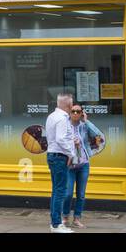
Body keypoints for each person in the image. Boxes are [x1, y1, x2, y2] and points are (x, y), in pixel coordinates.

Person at [66, 104, 104, 229]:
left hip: (83, 164)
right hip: (69, 165)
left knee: (81, 194)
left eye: (78, 111)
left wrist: (86, 121)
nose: (76, 113)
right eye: (73, 111)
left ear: (82, 113)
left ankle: (77, 218)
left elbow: (99, 137)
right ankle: (65, 217)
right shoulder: (65, 125)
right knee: (68, 193)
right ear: (69, 113)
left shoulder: (84, 126)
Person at [45, 91, 75, 233]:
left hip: (53, 155)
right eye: (72, 102)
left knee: (56, 190)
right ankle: (56, 225)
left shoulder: (52, 116)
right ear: (69, 104)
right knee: (60, 191)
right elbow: (61, 139)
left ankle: (55, 222)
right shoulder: (62, 119)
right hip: (59, 157)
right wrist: (71, 154)